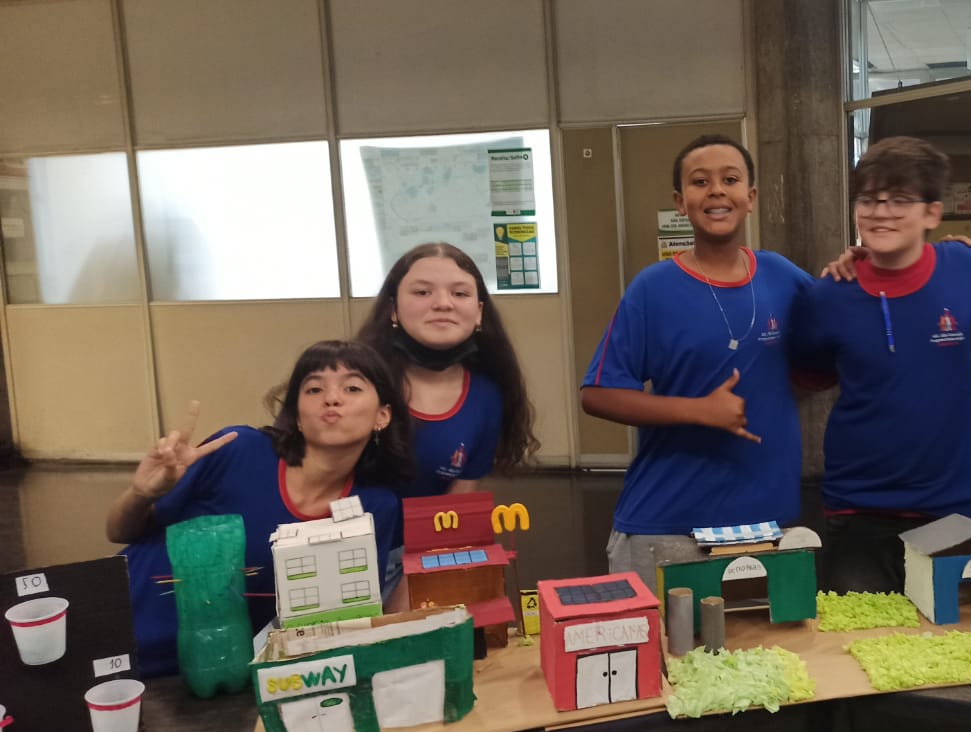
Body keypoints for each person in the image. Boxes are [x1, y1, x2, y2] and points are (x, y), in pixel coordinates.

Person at [580, 134, 813, 586]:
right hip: (667, 526)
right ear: (681, 202)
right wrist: (699, 410)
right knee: (662, 637)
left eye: (730, 179)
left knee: (764, 636)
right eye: (700, 182)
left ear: (751, 197)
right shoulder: (653, 289)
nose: (716, 191)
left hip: (767, 523)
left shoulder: (783, 277)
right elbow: (598, 393)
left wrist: (945, 254)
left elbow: (843, 311)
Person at [106, 340, 409, 677]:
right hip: (114, 625)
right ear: (297, 416)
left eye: (352, 388)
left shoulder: (376, 507)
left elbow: (350, 614)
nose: (331, 398)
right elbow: (117, 532)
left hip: (211, 670)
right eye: (314, 389)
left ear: (382, 415)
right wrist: (141, 493)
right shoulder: (238, 450)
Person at [793, 136, 971, 594]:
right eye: (869, 199)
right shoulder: (827, 295)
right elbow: (806, 376)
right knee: (860, 635)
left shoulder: (967, 270)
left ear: (932, 213)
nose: (881, 212)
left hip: (951, 509)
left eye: (900, 199)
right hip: (858, 512)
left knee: (957, 638)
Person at [355, 243, 538, 500]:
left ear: (479, 312)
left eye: (460, 293)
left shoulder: (487, 397)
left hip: (430, 527)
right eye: (422, 292)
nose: (443, 304)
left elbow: (457, 501)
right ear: (393, 309)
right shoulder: (353, 382)